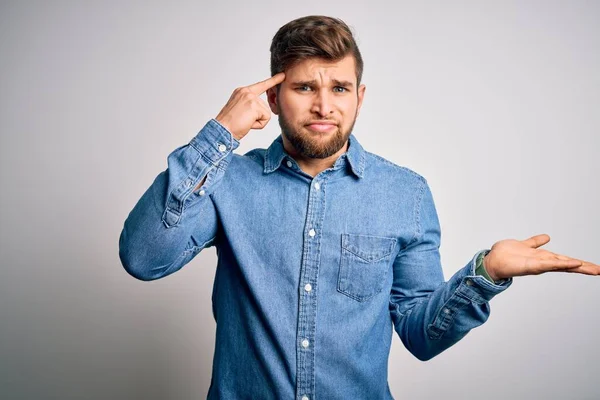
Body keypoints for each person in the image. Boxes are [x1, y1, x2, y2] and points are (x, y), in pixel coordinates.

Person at [118, 15, 598, 400]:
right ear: (273, 97)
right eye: (305, 87)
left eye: (340, 89)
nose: (325, 106)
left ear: (359, 97)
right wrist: (221, 133)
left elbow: (420, 334)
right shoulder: (227, 181)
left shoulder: (405, 193)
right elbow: (143, 258)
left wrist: (486, 274)